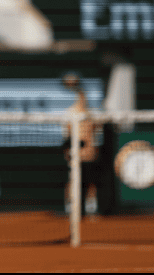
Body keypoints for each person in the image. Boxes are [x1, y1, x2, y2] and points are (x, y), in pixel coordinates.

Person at [61, 73, 100, 216]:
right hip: (76, 154)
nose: (84, 99)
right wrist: (68, 151)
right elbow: (67, 133)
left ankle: (91, 206)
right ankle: (70, 205)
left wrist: (93, 148)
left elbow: (96, 131)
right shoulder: (71, 113)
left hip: (89, 154)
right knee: (72, 180)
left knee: (90, 181)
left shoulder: (92, 114)